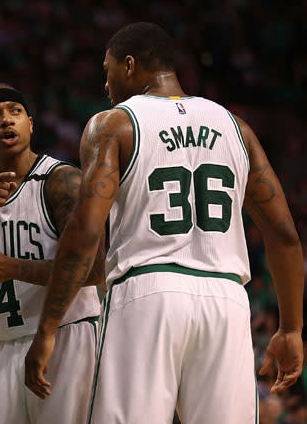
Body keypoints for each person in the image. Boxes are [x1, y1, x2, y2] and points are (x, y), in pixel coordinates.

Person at [25, 22, 304, 423]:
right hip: (225, 299)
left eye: (108, 71)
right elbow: (283, 235)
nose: (105, 85)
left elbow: (85, 231)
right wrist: (291, 328)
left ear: (130, 65)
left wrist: (48, 327)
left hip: (147, 293)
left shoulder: (114, 124)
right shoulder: (235, 126)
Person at [0, 84, 101, 424]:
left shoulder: (61, 181)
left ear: (31, 123)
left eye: (14, 111)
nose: (5, 120)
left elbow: (96, 269)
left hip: (65, 336)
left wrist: (11, 267)